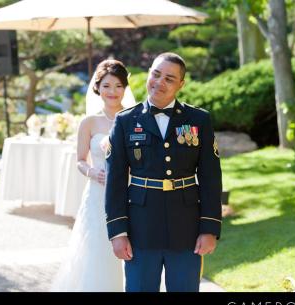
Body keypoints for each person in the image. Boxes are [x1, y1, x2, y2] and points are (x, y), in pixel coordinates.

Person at [104, 52, 222, 292]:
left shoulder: (199, 119)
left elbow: (211, 178)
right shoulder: (125, 121)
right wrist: (118, 232)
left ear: (181, 84)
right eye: (155, 74)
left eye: (169, 78)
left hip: (186, 227)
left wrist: (209, 228)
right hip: (141, 228)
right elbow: (114, 182)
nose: (159, 82)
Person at [50, 59, 135, 292]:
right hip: (98, 195)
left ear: (125, 88)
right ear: (98, 88)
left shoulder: (134, 119)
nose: (113, 91)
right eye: (107, 86)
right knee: (98, 250)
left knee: (131, 249)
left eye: (118, 86)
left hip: (130, 193)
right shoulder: (89, 123)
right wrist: (92, 172)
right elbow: (79, 160)